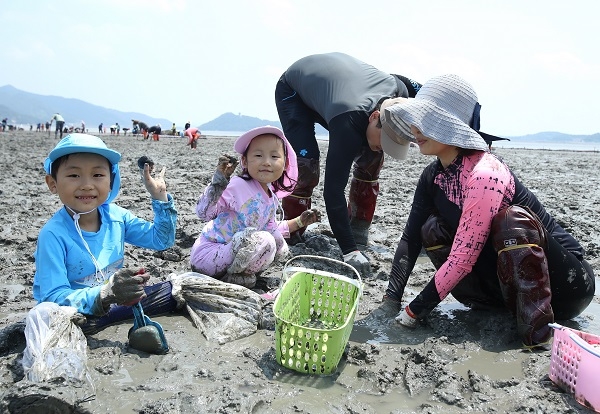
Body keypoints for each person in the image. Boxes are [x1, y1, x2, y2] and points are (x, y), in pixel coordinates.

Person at [375, 74, 596, 348]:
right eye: (415, 119)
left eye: (426, 120)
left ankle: (536, 337)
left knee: (510, 221)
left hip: (567, 287)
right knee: (431, 229)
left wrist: (413, 312)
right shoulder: (432, 177)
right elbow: (411, 239)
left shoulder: (486, 174)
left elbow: (462, 258)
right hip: (502, 290)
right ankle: (491, 307)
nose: (415, 128)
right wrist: (390, 301)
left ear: (450, 125)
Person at [275, 52, 422, 277]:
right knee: (307, 165)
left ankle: (358, 229)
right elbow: (333, 191)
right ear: (375, 117)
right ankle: (293, 231)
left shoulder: (399, 93)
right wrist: (349, 250)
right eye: (385, 141)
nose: (384, 147)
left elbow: (429, 92)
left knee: (372, 158)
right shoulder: (349, 123)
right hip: (295, 90)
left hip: (341, 90)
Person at [28, 133, 178, 346]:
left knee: (174, 290)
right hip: (83, 314)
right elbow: (53, 296)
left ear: (111, 182)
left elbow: (161, 240)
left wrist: (160, 197)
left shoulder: (117, 217)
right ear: (52, 183)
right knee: (53, 316)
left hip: (118, 301)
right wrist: (104, 294)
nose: (87, 185)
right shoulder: (53, 234)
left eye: (98, 175)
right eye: (74, 176)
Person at [190, 126, 321, 288]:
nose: (266, 162)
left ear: (285, 163)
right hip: (209, 255)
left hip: (233, 255)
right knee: (265, 240)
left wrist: (300, 222)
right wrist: (219, 182)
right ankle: (235, 276)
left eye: (274, 156)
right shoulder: (237, 186)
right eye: (258, 155)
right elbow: (204, 213)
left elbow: (272, 228)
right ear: (244, 161)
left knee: (279, 246)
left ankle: (238, 275)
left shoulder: (270, 196)